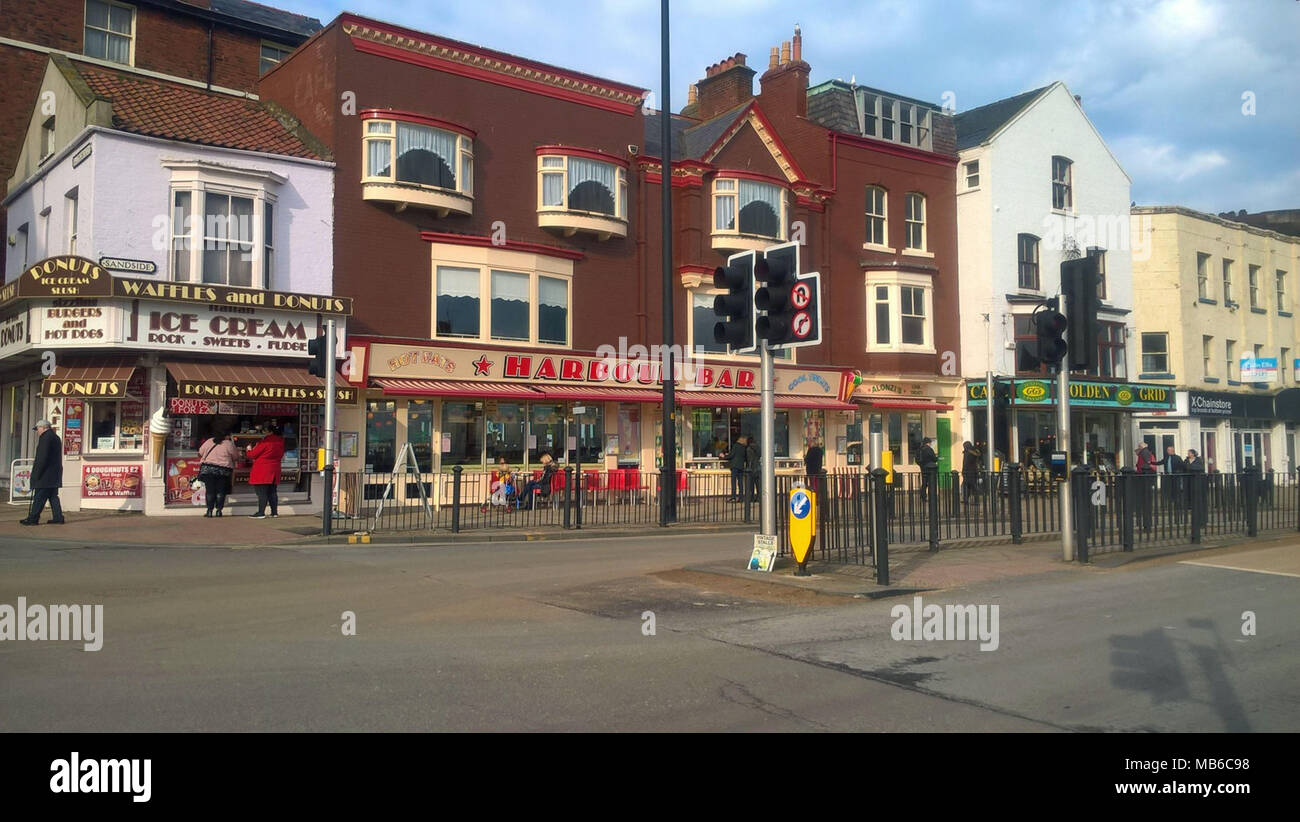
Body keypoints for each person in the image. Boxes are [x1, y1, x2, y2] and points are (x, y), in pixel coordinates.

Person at [21, 419, 64, 525]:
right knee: (53, 496)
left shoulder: (45, 438)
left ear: (44, 427)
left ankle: (33, 519)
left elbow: (42, 458)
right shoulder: (56, 437)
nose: (37, 431)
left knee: (39, 497)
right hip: (54, 473)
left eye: (38, 429)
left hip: (45, 474)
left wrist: (36, 475)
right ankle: (58, 517)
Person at [246, 422, 286, 519]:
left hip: (262, 469)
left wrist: (248, 449)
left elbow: (252, 455)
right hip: (275, 469)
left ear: (270, 432)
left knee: (262, 492)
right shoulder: (281, 442)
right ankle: (274, 512)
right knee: (272, 491)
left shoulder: (266, 442)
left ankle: (261, 512)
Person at [198, 431, 239, 517]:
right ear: (226, 436)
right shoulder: (228, 444)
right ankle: (219, 511)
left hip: (208, 469)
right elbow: (235, 456)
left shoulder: (209, 441)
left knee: (210, 490)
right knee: (221, 491)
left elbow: (200, 453)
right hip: (223, 470)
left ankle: (209, 511)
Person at [726, 436, 748, 502]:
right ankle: (741, 497)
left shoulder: (736, 446)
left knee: (733, 482)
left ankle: (733, 497)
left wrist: (724, 456)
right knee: (740, 482)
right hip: (741, 466)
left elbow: (731, 455)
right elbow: (745, 458)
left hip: (734, 466)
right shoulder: (744, 448)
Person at [917, 436, 939, 502]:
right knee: (931, 483)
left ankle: (923, 496)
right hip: (930, 469)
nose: (931, 444)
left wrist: (921, 465)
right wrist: (937, 458)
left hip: (923, 468)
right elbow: (934, 459)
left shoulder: (920, 449)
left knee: (924, 483)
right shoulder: (929, 449)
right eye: (930, 443)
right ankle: (932, 497)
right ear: (928, 443)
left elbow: (917, 459)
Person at [745, 435, 761, 503]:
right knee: (758, 485)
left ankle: (751, 498)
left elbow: (749, 459)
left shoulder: (748, 449)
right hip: (758, 468)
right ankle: (759, 497)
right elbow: (760, 455)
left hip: (752, 468)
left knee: (751, 485)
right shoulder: (758, 447)